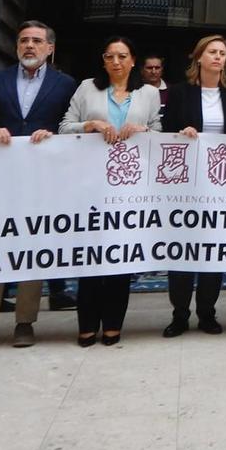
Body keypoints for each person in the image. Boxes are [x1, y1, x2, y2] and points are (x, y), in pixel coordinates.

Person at [0, 20, 78, 349]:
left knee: (33, 245)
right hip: (0, 175)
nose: (30, 46)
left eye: (37, 41)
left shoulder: (65, 84)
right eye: (24, 41)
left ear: (49, 48)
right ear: (16, 48)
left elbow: (69, 125)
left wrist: (55, 135)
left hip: (42, 177)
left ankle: (25, 321)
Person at [59, 36, 160, 345]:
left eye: (122, 56)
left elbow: (159, 131)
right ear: (103, 61)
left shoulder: (149, 93)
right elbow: (64, 127)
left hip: (130, 185)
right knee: (91, 255)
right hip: (90, 185)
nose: (116, 62)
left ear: (132, 61)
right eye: (110, 56)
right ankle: (87, 323)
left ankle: (113, 324)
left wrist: (144, 130)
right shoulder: (87, 88)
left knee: (121, 256)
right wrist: (90, 125)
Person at [161, 34, 226, 335]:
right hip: (186, 184)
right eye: (212, 52)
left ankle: (207, 312)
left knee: (214, 248)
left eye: (222, 53)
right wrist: (180, 132)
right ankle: (179, 314)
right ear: (198, 57)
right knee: (183, 248)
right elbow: (165, 133)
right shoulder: (179, 92)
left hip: (220, 185)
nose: (217, 57)